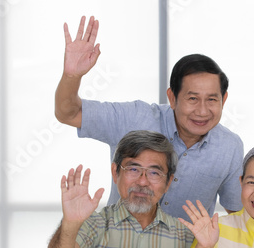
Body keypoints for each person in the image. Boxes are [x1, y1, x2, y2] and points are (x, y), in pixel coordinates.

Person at [54, 16, 243, 221]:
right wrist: (72, 76)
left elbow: (237, 215)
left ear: (223, 100)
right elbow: (69, 113)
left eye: (212, 100)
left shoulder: (229, 146)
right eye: (192, 98)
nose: (202, 111)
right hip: (120, 246)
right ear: (172, 97)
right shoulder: (135, 118)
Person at [47, 130, 208, 248]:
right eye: (133, 169)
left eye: (154, 172)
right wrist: (70, 223)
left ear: (168, 181)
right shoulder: (95, 223)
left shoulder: (186, 236)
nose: (142, 181)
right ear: (115, 173)